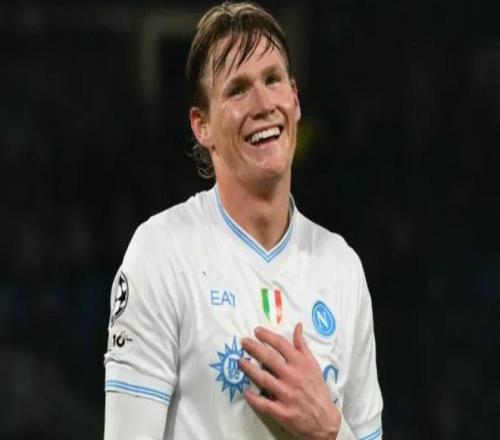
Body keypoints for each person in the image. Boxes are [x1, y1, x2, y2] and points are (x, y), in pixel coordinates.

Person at [103, 2, 383, 439]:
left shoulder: (341, 267)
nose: (263, 103)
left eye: (272, 80)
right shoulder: (161, 253)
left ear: (294, 99)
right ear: (202, 125)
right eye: (237, 90)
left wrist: (329, 428)